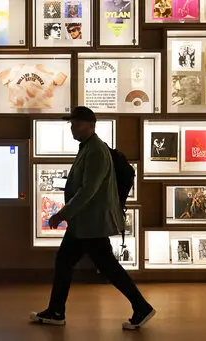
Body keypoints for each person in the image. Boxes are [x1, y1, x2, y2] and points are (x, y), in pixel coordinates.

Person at [30, 106, 155, 330]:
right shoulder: (88, 148)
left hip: (91, 223)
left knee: (105, 266)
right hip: (85, 222)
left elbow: (89, 189)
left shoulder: (96, 150)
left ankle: (141, 306)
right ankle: (56, 311)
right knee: (68, 261)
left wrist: (62, 213)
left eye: (76, 123)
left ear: (90, 125)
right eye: (71, 123)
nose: (72, 127)